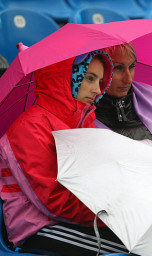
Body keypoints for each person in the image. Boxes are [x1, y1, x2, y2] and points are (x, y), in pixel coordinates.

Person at [0, 50, 130, 255]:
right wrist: (112, 215)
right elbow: (52, 200)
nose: (97, 90)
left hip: (84, 219)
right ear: (66, 77)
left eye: (100, 81)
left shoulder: (85, 123)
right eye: (89, 78)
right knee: (135, 248)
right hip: (38, 226)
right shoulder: (30, 126)